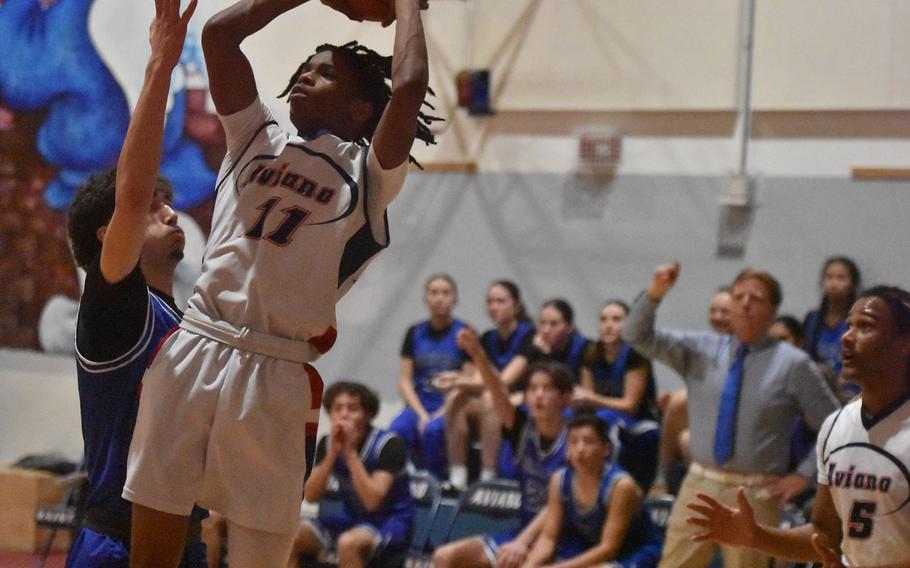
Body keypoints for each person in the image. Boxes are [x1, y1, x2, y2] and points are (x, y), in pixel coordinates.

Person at [122, 0, 435, 565]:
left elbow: (409, 85)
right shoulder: (255, 136)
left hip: (276, 370)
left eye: (324, 72)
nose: (304, 77)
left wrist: (406, 5)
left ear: (361, 108)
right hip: (195, 346)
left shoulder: (367, 177)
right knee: (150, 556)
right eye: (304, 68)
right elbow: (219, 34)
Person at [65, 2, 207, 567]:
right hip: (118, 546)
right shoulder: (113, 309)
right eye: (155, 208)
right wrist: (160, 67)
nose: (171, 213)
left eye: (168, 204)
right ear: (110, 235)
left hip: (183, 542)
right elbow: (130, 192)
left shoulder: (183, 314)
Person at [623, 262, 840, 568]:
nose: (746, 304)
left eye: (757, 298)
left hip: (755, 490)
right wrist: (655, 293)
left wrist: (802, 476)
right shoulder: (701, 348)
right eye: (739, 296)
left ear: (773, 310)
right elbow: (633, 333)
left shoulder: (794, 364)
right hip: (700, 480)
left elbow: (837, 427)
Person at [686, 285, 910, 567]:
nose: (847, 337)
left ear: (905, 343)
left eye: (865, 327)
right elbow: (825, 535)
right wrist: (755, 536)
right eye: (848, 325)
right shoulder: (836, 425)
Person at [433, 331, 573, 568]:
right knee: (444, 557)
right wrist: (478, 354)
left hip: (565, 536)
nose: (538, 395)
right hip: (525, 529)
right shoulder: (522, 428)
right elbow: (496, 391)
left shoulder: (577, 438)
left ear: (565, 397)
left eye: (547, 389)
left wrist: (522, 542)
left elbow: (557, 504)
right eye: (532, 389)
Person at [292, 381, 412, 568]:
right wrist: (332, 455)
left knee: (348, 543)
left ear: (368, 414)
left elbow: (372, 501)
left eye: (352, 408)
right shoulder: (328, 443)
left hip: (390, 522)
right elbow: (311, 496)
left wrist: (350, 453)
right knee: (291, 534)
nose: (344, 414)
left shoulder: (389, 444)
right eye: (337, 408)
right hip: (352, 520)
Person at [523, 413, 662, 568]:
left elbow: (608, 548)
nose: (580, 449)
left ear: (605, 449)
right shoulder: (559, 480)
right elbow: (548, 538)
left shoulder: (621, 486)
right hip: (587, 548)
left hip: (633, 552)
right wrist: (530, 565)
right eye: (573, 442)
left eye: (588, 441)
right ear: (567, 450)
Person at [441, 280, 533, 490]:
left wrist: (461, 378)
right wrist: (456, 381)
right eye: (490, 301)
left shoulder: (528, 335)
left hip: (517, 402)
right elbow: (475, 378)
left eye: (501, 301)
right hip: (493, 399)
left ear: (516, 306)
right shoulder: (488, 337)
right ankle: (458, 476)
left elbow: (504, 382)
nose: (494, 306)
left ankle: (488, 476)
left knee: (491, 397)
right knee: (456, 396)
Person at [653, 287, 732, 496]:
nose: (717, 317)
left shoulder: (749, 346)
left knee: (684, 419)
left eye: (725, 312)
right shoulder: (706, 347)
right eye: (713, 310)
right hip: (708, 416)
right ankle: (665, 480)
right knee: (678, 409)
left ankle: (711, 494)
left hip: (740, 421)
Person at [389, 274, 469, 479]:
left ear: (455, 299)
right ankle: (401, 482)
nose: (439, 298)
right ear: (425, 299)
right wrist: (422, 413)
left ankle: (434, 485)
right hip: (419, 403)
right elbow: (405, 381)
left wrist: (440, 413)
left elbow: (467, 382)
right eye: (434, 293)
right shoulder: (414, 332)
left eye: (445, 293)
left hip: (449, 406)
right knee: (397, 428)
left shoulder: (464, 333)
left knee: (433, 431)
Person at [575, 299, 660, 490]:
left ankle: (607, 482)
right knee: (571, 419)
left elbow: (630, 405)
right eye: (604, 320)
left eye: (616, 319)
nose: (608, 325)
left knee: (606, 423)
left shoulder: (636, 354)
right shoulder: (590, 352)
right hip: (604, 416)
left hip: (640, 423)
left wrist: (592, 399)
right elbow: (587, 401)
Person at [803, 257, 861, 387]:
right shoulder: (812, 320)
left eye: (841, 278)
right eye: (829, 277)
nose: (833, 284)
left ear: (852, 284)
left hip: (850, 392)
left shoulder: (860, 322)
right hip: (817, 389)